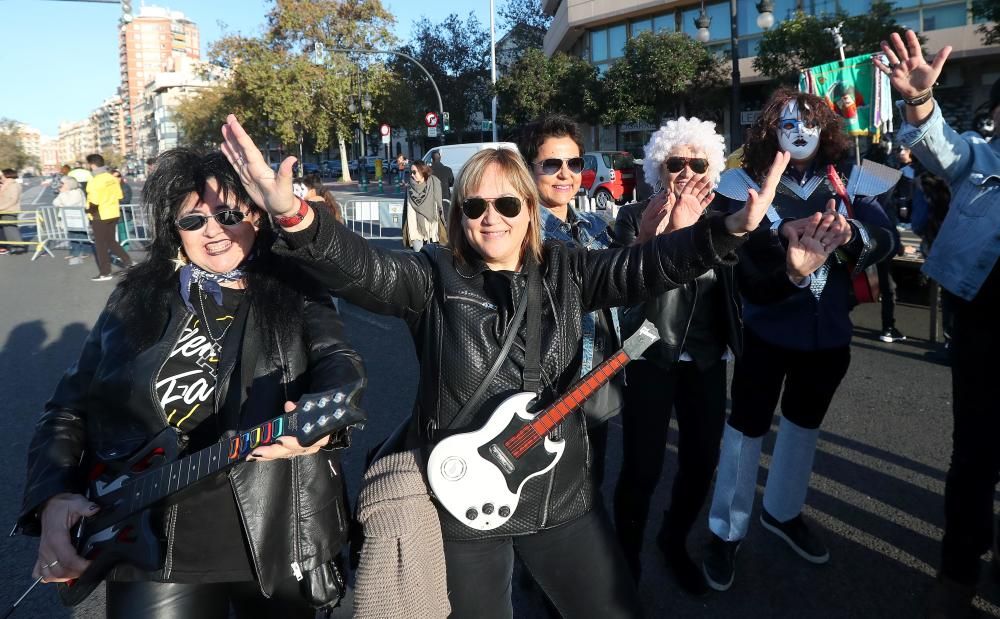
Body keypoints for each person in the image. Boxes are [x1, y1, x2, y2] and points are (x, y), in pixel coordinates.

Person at [220, 113, 786, 618]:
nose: (491, 218)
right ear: (459, 213)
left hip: (559, 495)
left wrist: (725, 231)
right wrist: (294, 216)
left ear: (529, 210)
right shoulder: (431, 278)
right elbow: (365, 269)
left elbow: (645, 267)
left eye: (507, 204)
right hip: (462, 494)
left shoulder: (569, 268)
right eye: (475, 206)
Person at [17, 149, 366, 618]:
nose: (214, 231)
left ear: (257, 218)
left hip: (277, 527)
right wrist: (54, 495)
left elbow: (337, 360)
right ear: (174, 232)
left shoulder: (298, 287)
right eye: (193, 221)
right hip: (149, 538)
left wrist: (327, 411)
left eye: (228, 214)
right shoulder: (134, 297)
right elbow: (68, 408)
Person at [701, 88, 895, 592]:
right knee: (745, 430)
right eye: (788, 122)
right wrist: (780, 243)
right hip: (765, 330)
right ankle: (725, 530)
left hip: (828, 335)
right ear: (770, 130)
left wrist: (850, 233)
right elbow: (734, 263)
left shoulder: (851, 180)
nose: (800, 131)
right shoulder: (740, 184)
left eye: (810, 122)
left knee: (804, 427)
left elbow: (886, 239)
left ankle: (782, 512)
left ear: (826, 128)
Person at [875, 31, 1000, 617]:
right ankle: (957, 572)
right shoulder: (985, 161)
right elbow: (942, 148)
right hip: (983, 326)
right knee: (974, 454)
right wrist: (920, 101)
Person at [611, 117, 739, 594]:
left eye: (697, 162)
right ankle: (624, 560)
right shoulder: (633, 217)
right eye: (675, 162)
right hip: (648, 352)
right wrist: (653, 241)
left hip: (705, 358)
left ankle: (672, 538)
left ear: (712, 168)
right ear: (657, 166)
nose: (685, 171)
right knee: (642, 466)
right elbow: (619, 294)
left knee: (702, 461)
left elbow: (740, 281)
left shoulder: (728, 218)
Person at [518, 114, 623, 490]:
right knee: (547, 490)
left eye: (573, 163)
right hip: (549, 386)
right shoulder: (520, 233)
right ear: (529, 169)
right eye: (552, 164)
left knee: (592, 484)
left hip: (597, 377)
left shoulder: (595, 227)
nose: (565, 174)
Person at [84, 153, 134, 281]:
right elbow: (119, 196)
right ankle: (128, 262)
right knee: (111, 241)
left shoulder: (94, 181)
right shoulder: (111, 178)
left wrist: (88, 210)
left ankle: (105, 273)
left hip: (99, 215)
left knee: (100, 245)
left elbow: (94, 201)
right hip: (113, 213)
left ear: (92, 165)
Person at [401, 160, 443, 252]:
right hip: (415, 228)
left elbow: (439, 206)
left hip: (432, 228)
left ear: (422, 171)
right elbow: (407, 209)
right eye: (411, 172)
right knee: (419, 257)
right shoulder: (410, 187)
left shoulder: (434, 183)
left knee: (432, 257)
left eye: (414, 172)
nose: (412, 175)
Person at [52, 175, 90, 263]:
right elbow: (55, 202)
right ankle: (74, 253)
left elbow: (69, 204)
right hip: (68, 218)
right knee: (71, 235)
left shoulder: (77, 192)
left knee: (81, 234)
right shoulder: (64, 193)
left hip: (78, 218)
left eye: (63, 183)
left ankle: (86, 251)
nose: (61, 185)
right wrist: (62, 195)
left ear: (69, 184)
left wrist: (62, 196)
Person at [0, 168, 23, 255]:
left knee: (10, 228)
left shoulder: (13, 185)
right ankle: (11, 246)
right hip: (3, 210)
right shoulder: (5, 185)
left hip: (10, 210)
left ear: (7, 175)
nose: (1, 177)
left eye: (2, 175)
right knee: (6, 229)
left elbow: (13, 199)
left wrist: (1, 207)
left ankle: (18, 247)